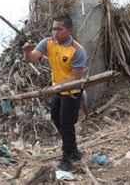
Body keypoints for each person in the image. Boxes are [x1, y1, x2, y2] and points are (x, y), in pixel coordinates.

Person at [22, 15, 87, 171]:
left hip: (72, 91)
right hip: (57, 90)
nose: (55, 32)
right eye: (53, 28)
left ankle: (66, 159)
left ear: (69, 30)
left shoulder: (77, 50)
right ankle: (74, 151)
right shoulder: (48, 42)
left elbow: (75, 78)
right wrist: (27, 52)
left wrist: (54, 88)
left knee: (67, 123)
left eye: (59, 29)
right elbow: (31, 59)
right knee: (56, 119)